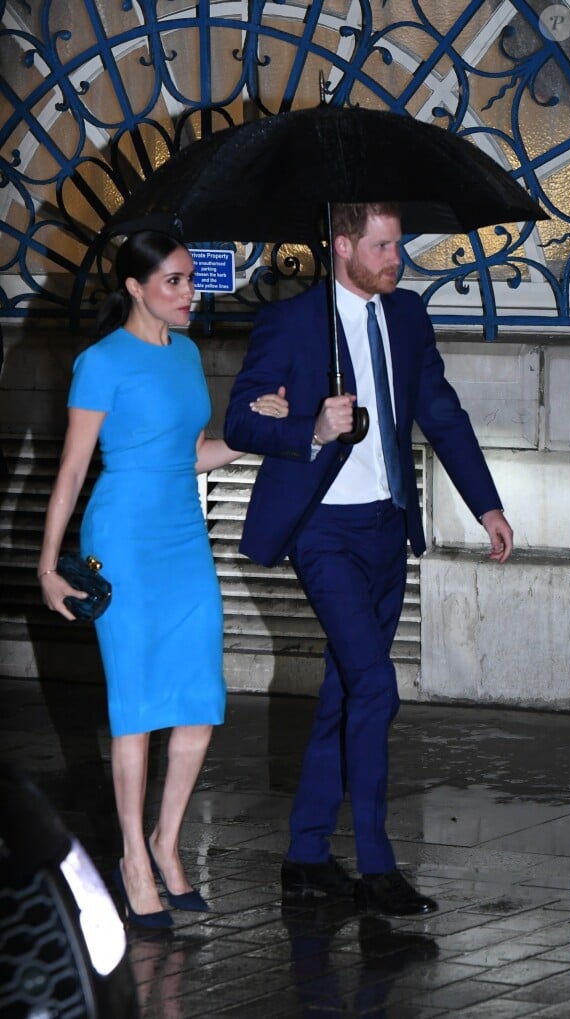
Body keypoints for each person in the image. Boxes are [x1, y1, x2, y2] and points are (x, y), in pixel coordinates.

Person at [224, 202, 513, 917]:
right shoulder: (292, 322)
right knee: (376, 685)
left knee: (345, 693)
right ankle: (379, 865)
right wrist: (310, 425)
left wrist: (487, 505)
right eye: (383, 246)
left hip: (387, 529)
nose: (397, 258)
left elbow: (442, 412)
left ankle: (306, 854)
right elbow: (237, 421)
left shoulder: (407, 316)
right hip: (322, 532)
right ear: (343, 244)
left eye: (399, 244)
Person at [38, 229, 288, 930]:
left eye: (189, 280)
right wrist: (46, 563)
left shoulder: (184, 355)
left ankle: (167, 841)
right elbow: (72, 470)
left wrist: (254, 432)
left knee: (200, 699)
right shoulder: (101, 362)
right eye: (174, 281)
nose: (190, 293)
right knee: (138, 704)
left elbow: (192, 453)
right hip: (121, 540)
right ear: (136, 287)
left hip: (183, 538)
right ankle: (133, 860)